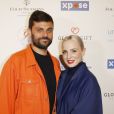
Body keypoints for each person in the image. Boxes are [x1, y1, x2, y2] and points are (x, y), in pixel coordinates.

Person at [0, 10, 61, 114]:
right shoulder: (14, 62)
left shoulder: (56, 63)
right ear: (29, 31)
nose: (45, 34)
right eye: (39, 30)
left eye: (49, 30)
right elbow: (4, 105)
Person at [56, 35, 103, 114]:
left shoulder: (89, 81)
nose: (68, 56)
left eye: (73, 51)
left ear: (83, 51)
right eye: (65, 52)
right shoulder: (62, 76)